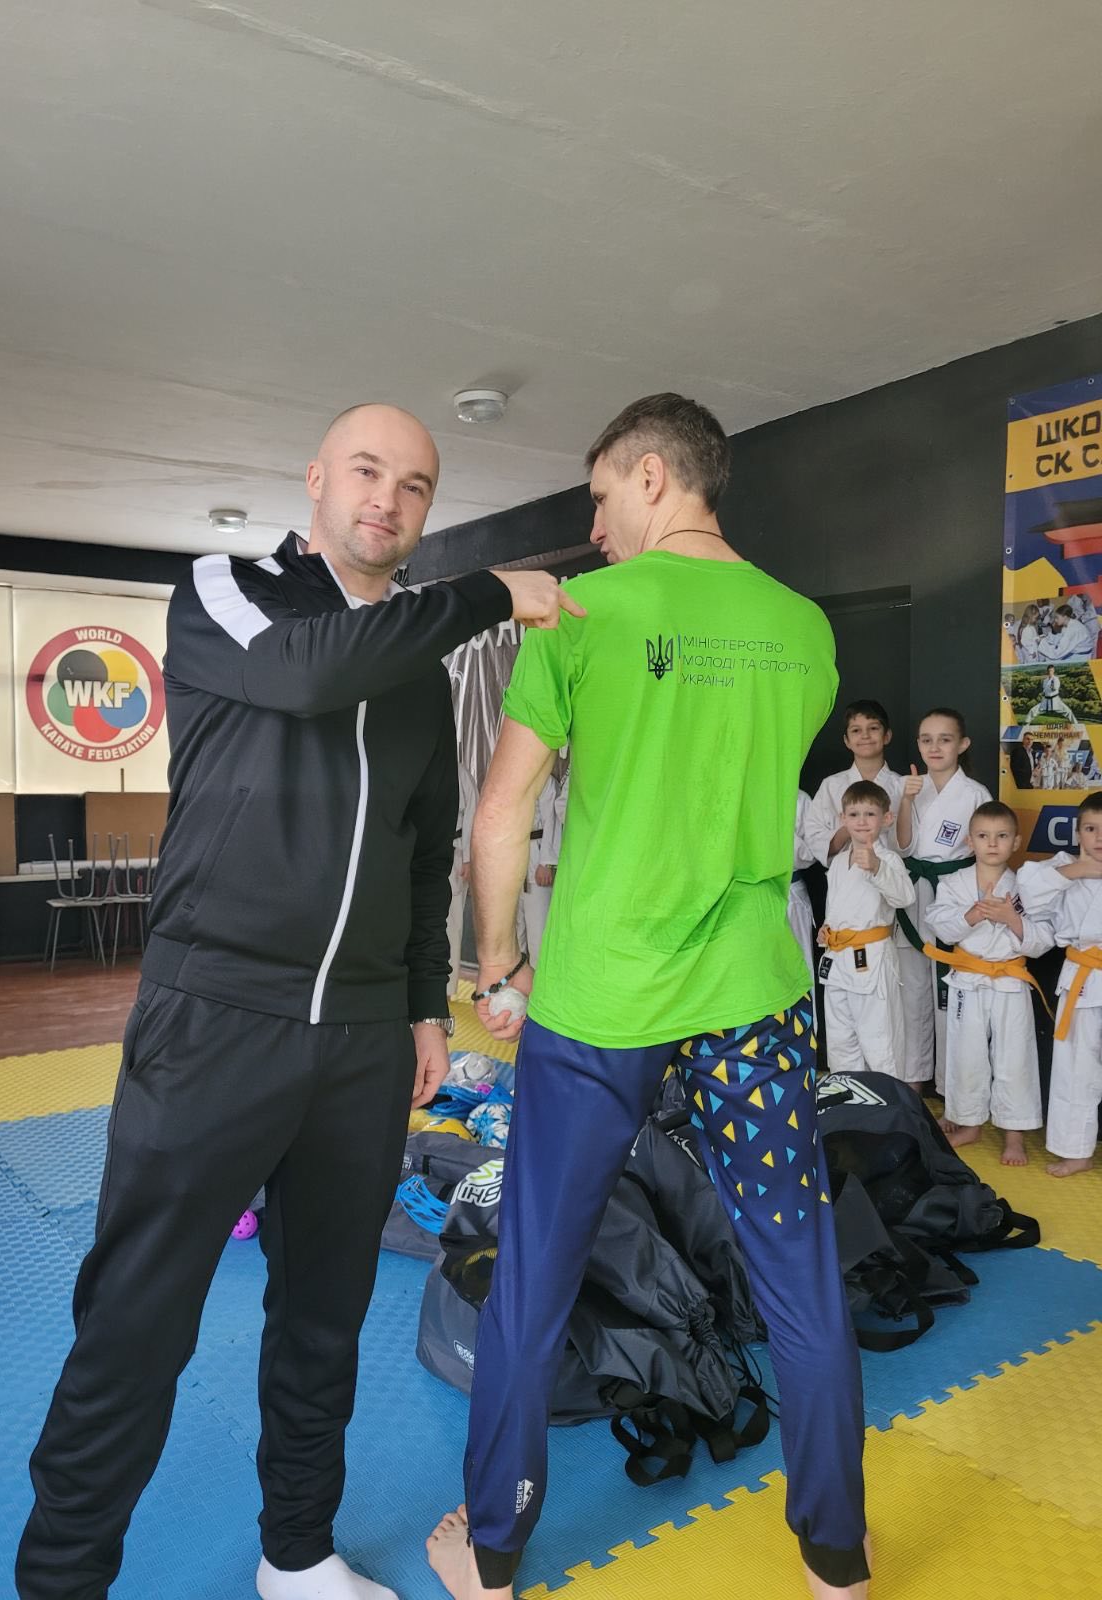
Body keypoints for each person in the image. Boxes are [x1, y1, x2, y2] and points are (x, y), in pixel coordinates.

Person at [14, 403, 585, 1600]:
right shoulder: (226, 592)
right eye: (368, 470)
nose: (389, 498)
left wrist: (424, 1006)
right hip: (215, 1020)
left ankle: (298, 1553)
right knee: (136, 1321)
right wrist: (492, 592)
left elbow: (427, 851)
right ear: (317, 477)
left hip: (364, 1041)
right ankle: (61, 1579)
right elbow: (306, 672)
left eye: (416, 485)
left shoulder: (419, 668)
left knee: (325, 1318)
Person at [426, 393, 871, 1600]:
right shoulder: (804, 627)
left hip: (600, 1002)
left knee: (535, 1272)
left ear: (656, 477)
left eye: (602, 494)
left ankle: (493, 1554)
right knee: (798, 1272)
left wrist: (495, 966)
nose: (594, 525)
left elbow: (501, 813)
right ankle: (837, 1560)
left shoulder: (584, 614)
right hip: (750, 996)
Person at [924, 802, 1051, 1165]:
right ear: (970, 841)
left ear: (1016, 842)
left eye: (1001, 836)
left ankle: (1015, 1134)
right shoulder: (954, 883)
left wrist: (1013, 919)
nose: (992, 843)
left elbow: (1044, 939)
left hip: (1009, 981)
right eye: (983, 836)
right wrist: (971, 915)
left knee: (1015, 1057)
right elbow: (939, 924)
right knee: (966, 1054)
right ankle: (968, 1123)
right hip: (968, 979)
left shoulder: (1027, 887)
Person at [894, 709, 993, 1095]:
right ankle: (912, 1081)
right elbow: (902, 847)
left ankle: (953, 1089)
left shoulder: (975, 794)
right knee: (912, 989)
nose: (934, 747)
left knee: (952, 994)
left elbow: (987, 852)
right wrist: (905, 801)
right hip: (912, 892)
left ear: (962, 744)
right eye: (926, 739)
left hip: (954, 895)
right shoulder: (909, 786)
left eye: (945, 739)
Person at [1017, 791, 1102, 1177]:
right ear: (1078, 833)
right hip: (1081, 978)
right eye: (1091, 829)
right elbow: (1027, 889)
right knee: (1074, 1067)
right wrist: (1079, 871)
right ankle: (1076, 1150)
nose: (1098, 838)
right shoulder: (1062, 866)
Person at [816, 782, 914, 1078]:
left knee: (879, 1041)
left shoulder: (888, 859)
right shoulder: (837, 863)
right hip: (837, 960)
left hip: (870, 959)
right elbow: (837, 908)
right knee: (841, 1042)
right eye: (854, 814)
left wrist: (877, 868)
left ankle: (886, 1104)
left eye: (870, 814)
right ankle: (849, 1101)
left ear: (886, 818)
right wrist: (826, 930)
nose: (861, 821)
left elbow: (904, 898)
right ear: (842, 819)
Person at [803, 700, 905, 863]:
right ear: (847, 741)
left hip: (891, 872)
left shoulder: (902, 786)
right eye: (856, 730)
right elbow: (814, 837)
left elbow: (910, 841)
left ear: (887, 736)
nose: (865, 735)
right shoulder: (831, 785)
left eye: (873, 728)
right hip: (844, 872)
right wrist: (849, 829)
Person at [515, 772, 562, 966]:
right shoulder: (511, 780)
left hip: (537, 860)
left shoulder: (545, 781)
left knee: (537, 929)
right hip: (514, 860)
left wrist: (547, 863)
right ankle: (516, 977)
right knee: (515, 931)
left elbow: (552, 820)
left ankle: (538, 979)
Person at [447, 761, 479, 999]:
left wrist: (468, 858)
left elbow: (472, 815)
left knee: (452, 923)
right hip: (423, 855)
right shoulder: (419, 765)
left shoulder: (461, 774)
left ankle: (447, 988)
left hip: (454, 854)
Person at [789, 789, 817, 984]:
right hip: (745, 897)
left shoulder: (799, 798)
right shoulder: (738, 792)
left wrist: (779, 828)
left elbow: (812, 853)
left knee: (798, 968)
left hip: (791, 893)